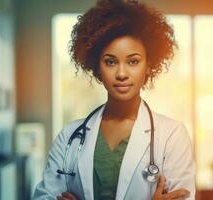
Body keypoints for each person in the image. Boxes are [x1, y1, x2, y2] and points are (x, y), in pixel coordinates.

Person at [33, 0, 195, 199]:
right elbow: (44, 196)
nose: (121, 73)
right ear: (97, 68)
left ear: (148, 65)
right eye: (110, 62)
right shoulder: (69, 136)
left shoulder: (172, 136)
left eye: (133, 61)